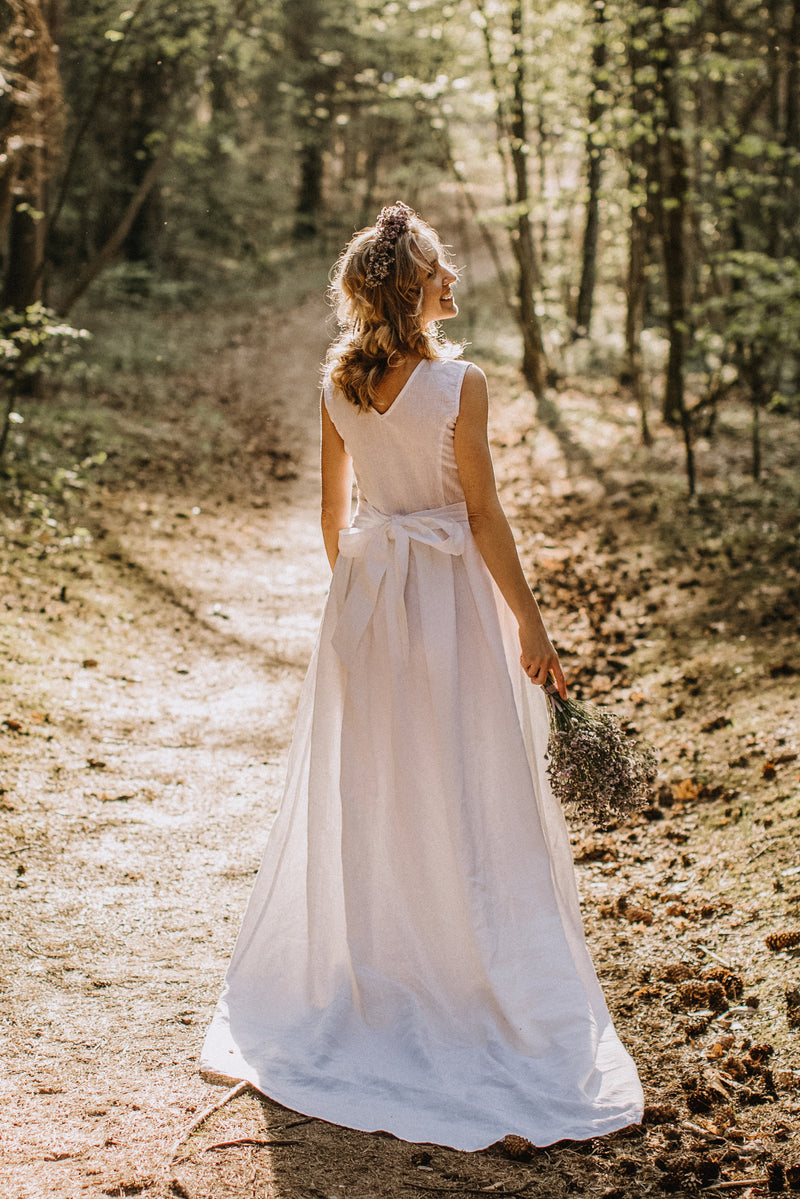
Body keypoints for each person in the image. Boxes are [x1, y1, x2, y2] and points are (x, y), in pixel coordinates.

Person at [201, 201, 643, 1151]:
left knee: (383, 791)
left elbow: (333, 518)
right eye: (440, 270)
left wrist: (361, 606)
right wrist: (532, 623)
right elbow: (482, 516)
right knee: (471, 785)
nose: (453, 282)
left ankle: (391, 968)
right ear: (412, 289)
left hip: (369, 609)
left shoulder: (338, 385)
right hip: (451, 609)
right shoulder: (461, 386)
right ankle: (467, 968)